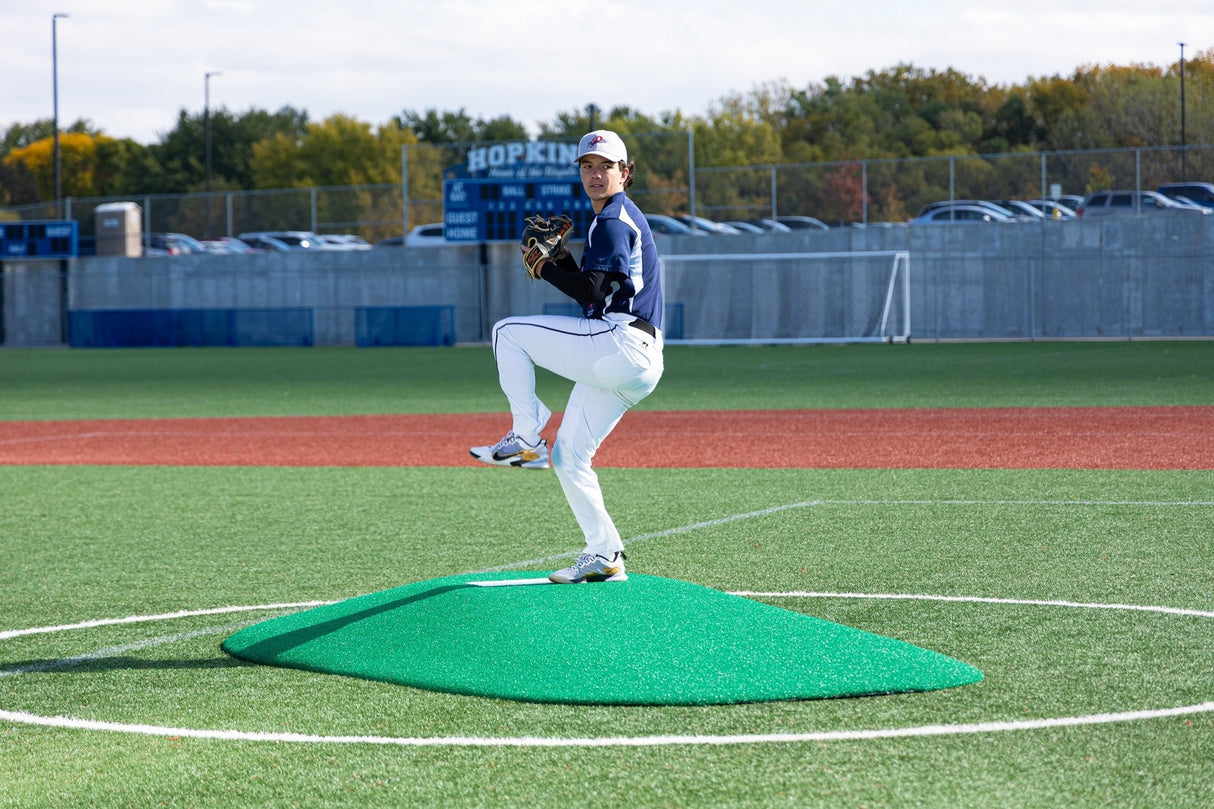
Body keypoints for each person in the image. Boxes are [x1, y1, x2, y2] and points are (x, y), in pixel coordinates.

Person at [469, 130, 664, 584]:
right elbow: (594, 298)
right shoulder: (614, 219)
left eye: (606, 166)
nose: (596, 174)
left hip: (619, 344)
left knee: (507, 333)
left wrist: (547, 266)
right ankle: (605, 554)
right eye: (587, 166)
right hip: (633, 359)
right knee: (570, 457)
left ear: (625, 172)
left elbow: (590, 292)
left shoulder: (613, 220)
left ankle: (525, 436)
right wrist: (563, 263)